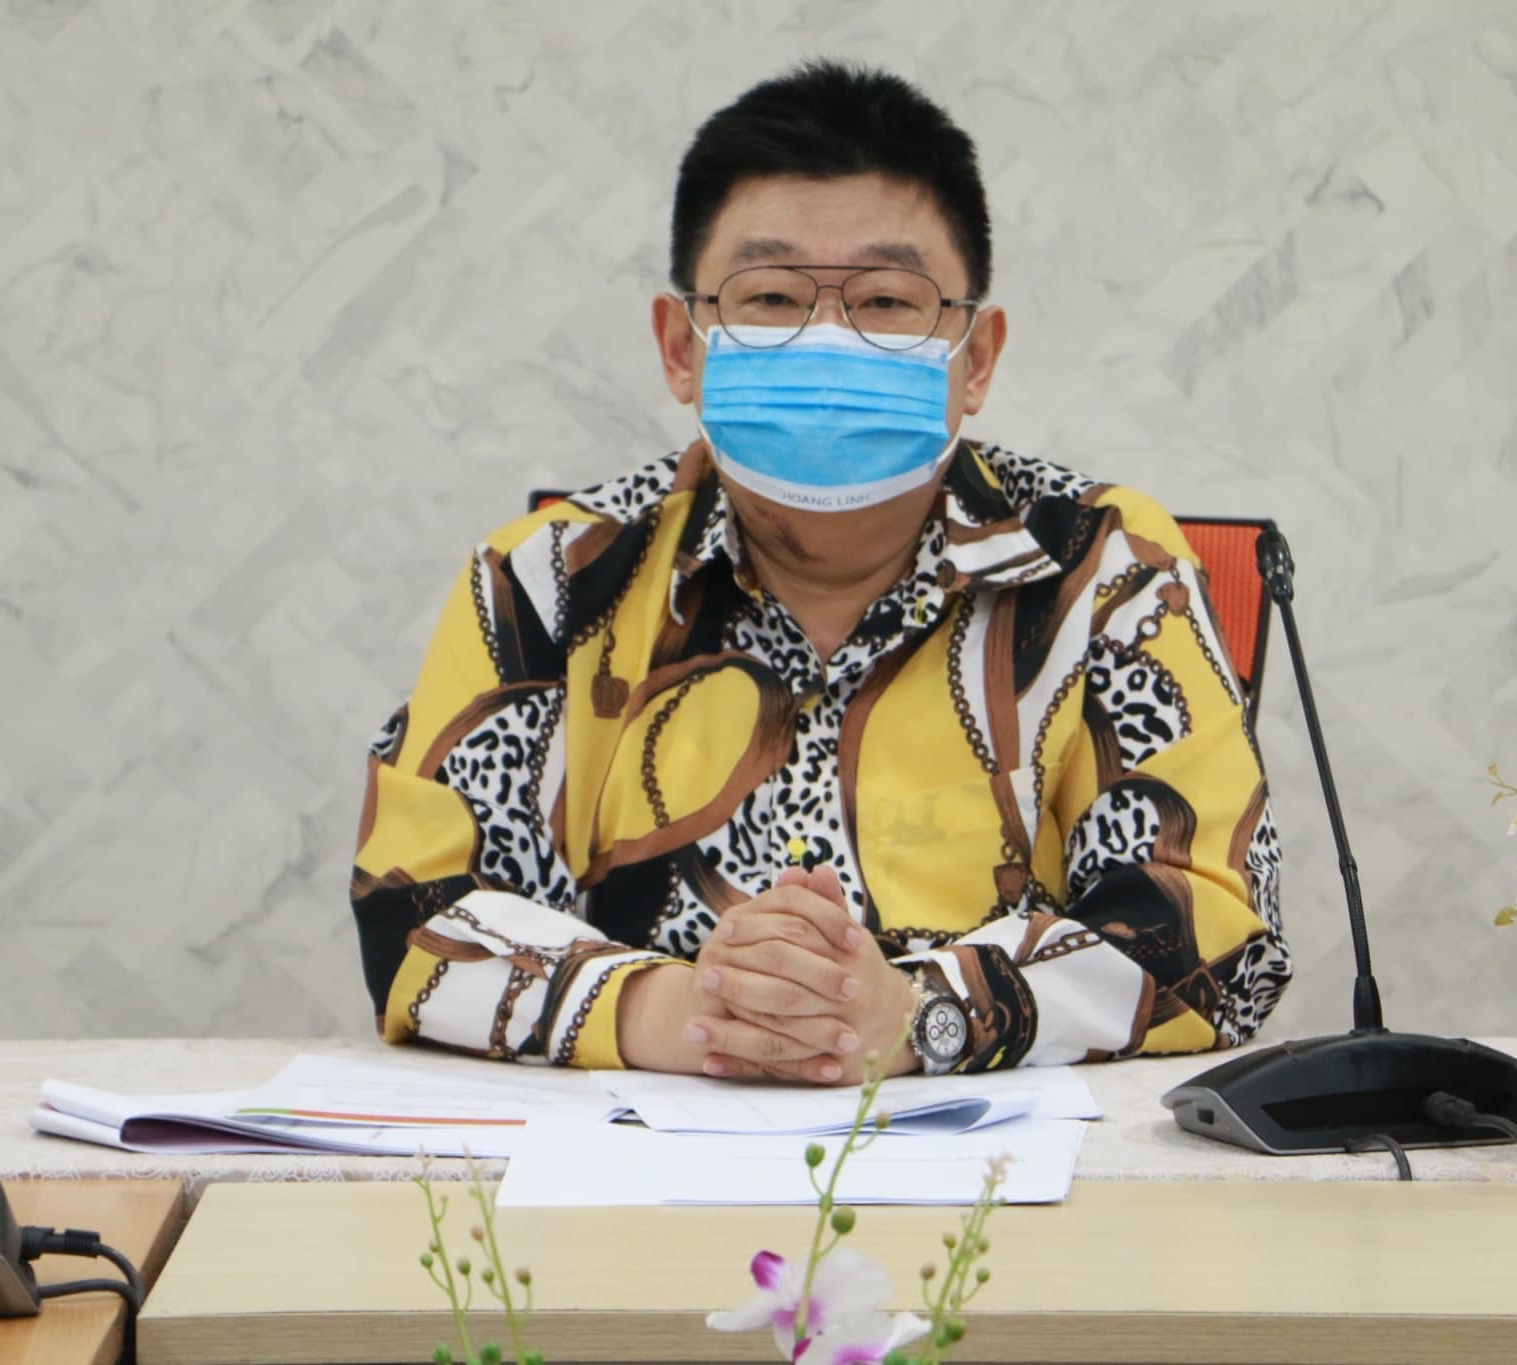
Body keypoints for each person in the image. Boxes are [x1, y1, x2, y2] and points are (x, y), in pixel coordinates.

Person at [351, 61, 1290, 1084]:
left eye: (886, 299)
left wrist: (915, 1015)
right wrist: (682, 1012)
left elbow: (1213, 929)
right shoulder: (548, 579)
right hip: (632, 1160)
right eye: (770, 296)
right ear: (681, 345)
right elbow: (413, 913)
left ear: (975, 357)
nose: (828, 339)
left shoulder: (1102, 567)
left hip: (990, 1163)